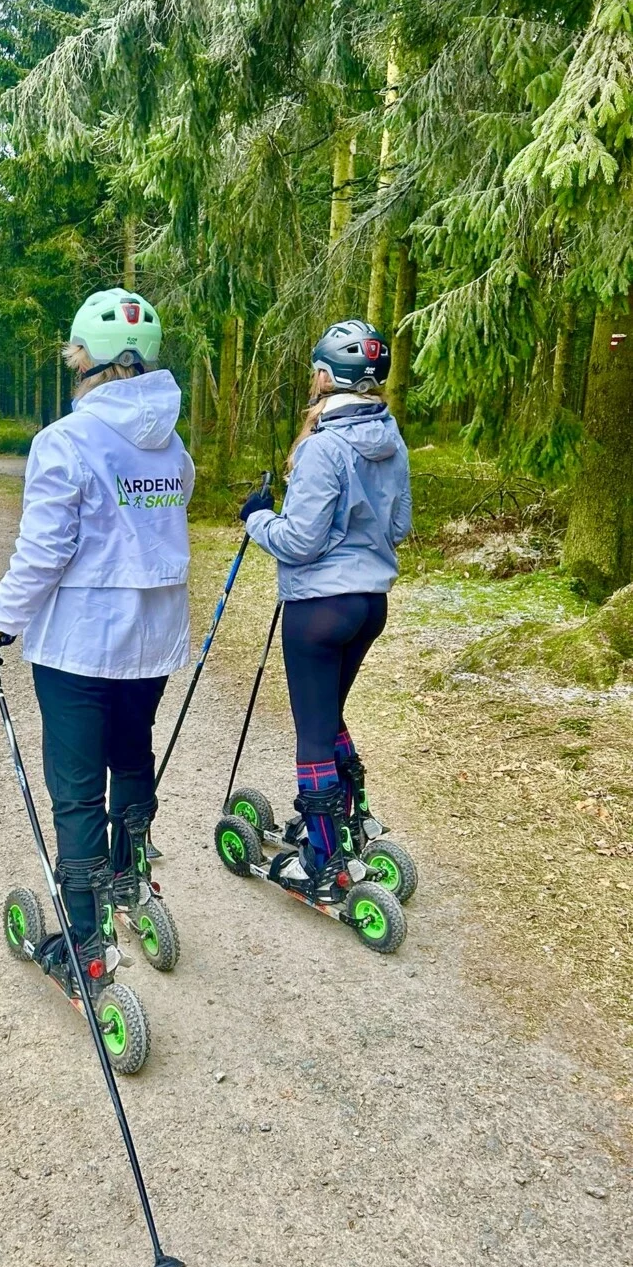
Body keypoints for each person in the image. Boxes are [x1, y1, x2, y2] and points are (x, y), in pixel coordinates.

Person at [0, 288, 193, 993]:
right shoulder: (171, 440)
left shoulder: (64, 441)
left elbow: (44, 551)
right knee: (131, 756)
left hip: (79, 647)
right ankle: (130, 881)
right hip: (151, 641)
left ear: (80, 356)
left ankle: (87, 938)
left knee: (74, 788)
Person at [239, 318, 412, 898]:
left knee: (313, 731)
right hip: (370, 605)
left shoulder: (323, 447)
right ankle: (349, 815)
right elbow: (401, 526)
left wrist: (258, 517)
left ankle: (322, 857)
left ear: (326, 375)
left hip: (318, 609)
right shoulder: (390, 437)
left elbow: (299, 541)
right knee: (328, 713)